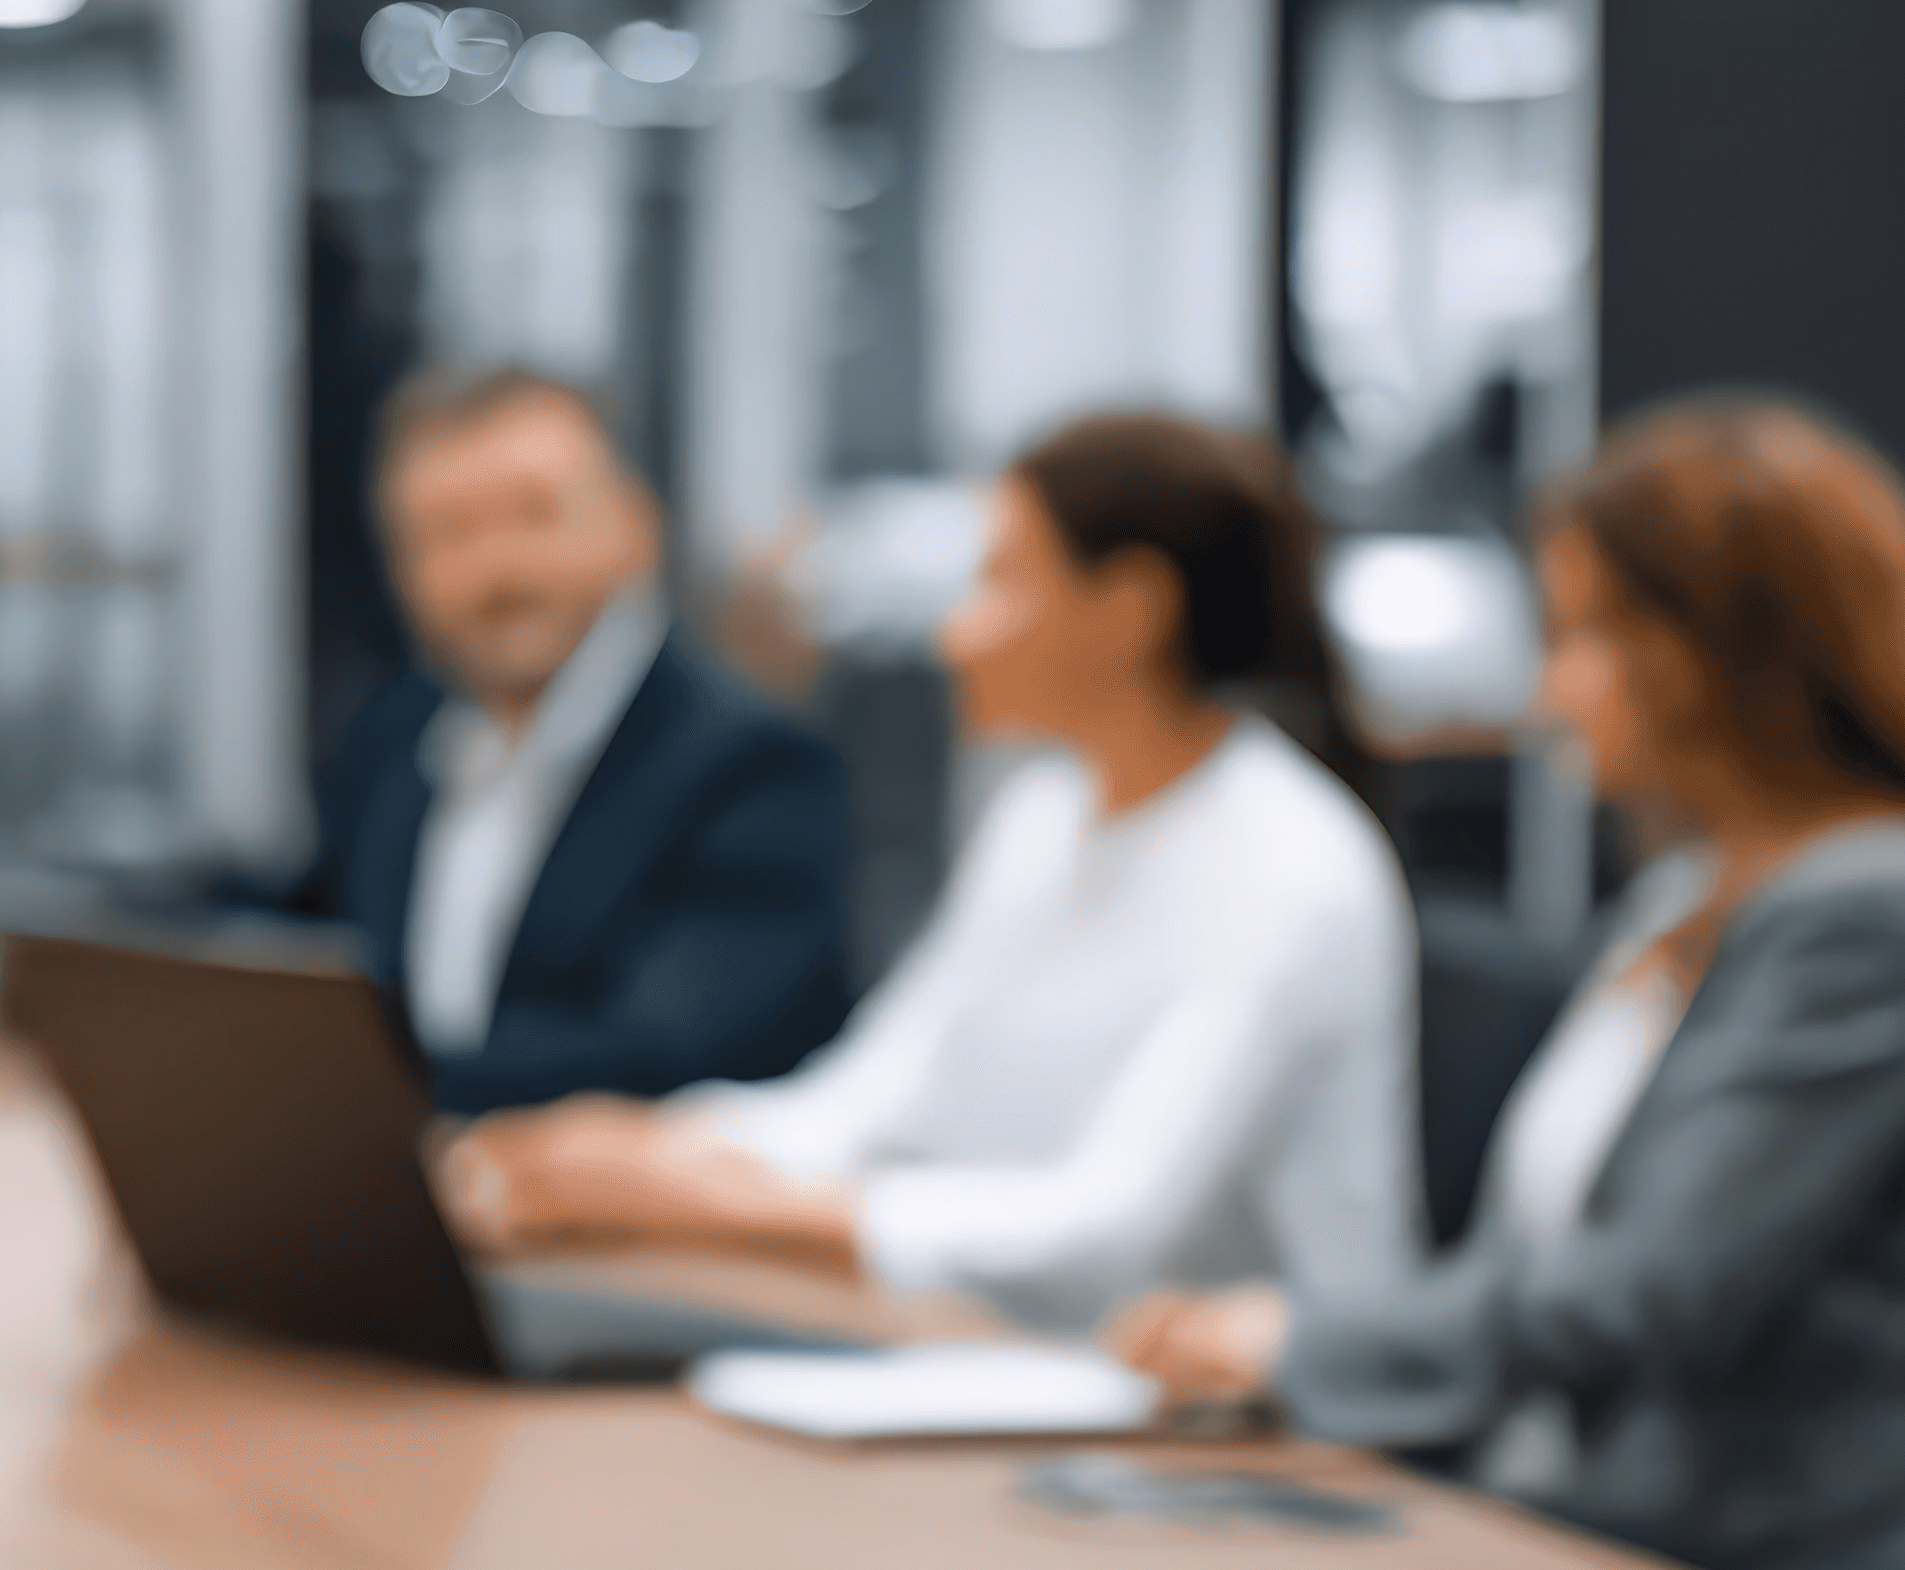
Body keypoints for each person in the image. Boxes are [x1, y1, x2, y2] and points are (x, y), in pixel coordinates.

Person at [1098, 397, 1905, 1570]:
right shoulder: (1688, 893)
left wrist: (1303, 1341)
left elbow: (1651, 1291)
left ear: (1717, 652)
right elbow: (1541, 1248)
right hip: (1614, 1521)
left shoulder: (1876, 914)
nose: (1549, 694)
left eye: (1585, 634)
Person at [442, 412, 1417, 1332]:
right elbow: (881, 1095)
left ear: (1128, 611)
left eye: (1000, 581)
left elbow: (1104, 1230)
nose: (956, 631)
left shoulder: (1290, 867)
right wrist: (642, 1147)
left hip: (1251, 1435)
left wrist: (709, 1205)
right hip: (994, 1358)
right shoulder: (1046, 814)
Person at [311, 366, 858, 1114]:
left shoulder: (757, 771)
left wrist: (351, 1087)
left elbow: (659, 1053)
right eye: (447, 533)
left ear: (635, 526)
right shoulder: (401, 735)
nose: (495, 568)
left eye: (534, 515)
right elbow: (313, 916)